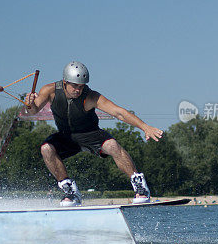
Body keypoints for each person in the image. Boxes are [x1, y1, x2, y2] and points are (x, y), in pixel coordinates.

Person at [23, 61, 164, 206]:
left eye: (81, 86)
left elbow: (119, 113)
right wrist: (30, 103)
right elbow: (32, 110)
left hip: (90, 134)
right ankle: (71, 192)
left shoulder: (90, 96)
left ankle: (140, 186)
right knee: (46, 148)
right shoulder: (49, 90)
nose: (78, 90)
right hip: (66, 136)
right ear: (65, 82)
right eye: (75, 86)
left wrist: (145, 127)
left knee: (112, 145)